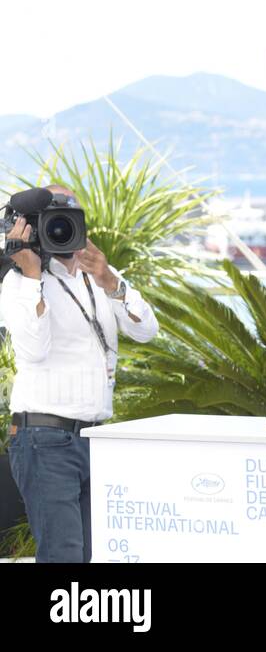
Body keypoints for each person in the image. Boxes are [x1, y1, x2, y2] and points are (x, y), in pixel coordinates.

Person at [2, 186, 160, 562]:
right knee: (64, 554)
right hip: (44, 439)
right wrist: (30, 272)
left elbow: (146, 330)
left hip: (93, 438)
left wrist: (110, 281)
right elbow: (33, 350)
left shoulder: (96, 272)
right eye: (53, 215)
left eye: (71, 211)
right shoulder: (18, 282)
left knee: (89, 554)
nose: (62, 222)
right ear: (35, 225)